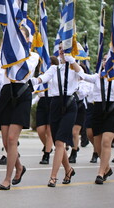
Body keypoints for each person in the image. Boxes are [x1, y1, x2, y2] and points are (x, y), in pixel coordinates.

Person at [0, 26, 39, 190]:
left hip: (21, 94)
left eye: (21, 36)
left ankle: (7, 178)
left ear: (28, 39)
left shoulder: (33, 56)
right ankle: (19, 167)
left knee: (12, 139)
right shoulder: (6, 55)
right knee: (6, 141)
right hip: (7, 94)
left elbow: (24, 70)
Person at [33, 47, 85, 187]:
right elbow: (43, 78)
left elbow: (82, 74)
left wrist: (72, 60)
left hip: (69, 104)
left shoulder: (74, 68)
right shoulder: (54, 69)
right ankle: (68, 169)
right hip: (55, 104)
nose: (62, 52)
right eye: (61, 50)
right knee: (57, 142)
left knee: (60, 142)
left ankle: (53, 176)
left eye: (65, 50)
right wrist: (33, 81)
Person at [78, 54, 114, 184]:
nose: (106, 61)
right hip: (98, 110)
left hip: (112, 110)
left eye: (109, 60)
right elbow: (83, 75)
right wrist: (72, 61)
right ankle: (107, 168)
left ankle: (100, 173)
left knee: (106, 141)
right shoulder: (97, 77)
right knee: (98, 144)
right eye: (104, 59)